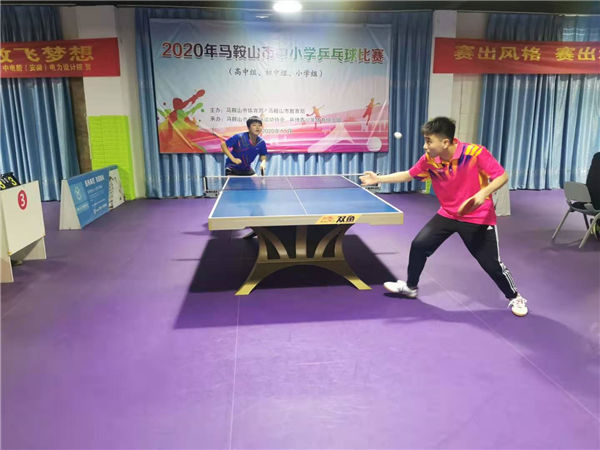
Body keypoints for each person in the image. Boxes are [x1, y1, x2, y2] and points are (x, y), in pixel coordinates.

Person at [360, 117, 528, 317]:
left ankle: (515, 296)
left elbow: (502, 176)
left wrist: (482, 194)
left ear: (445, 142)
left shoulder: (475, 153)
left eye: (429, 141)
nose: (425, 146)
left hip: (477, 217)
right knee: (419, 245)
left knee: (491, 264)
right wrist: (378, 179)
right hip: (448, 213)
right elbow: (409, 174)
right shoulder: (430, 160)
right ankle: (411, 287)